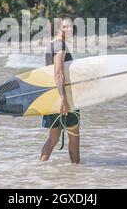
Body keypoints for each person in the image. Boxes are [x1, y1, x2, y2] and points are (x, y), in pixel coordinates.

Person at [40, 16, 80, 164]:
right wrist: (63, 98)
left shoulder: (52, 44)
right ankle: (76, 172)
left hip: (51, 96)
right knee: (74, 136)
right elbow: (58, 72)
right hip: (64, 97)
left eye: (70, 26)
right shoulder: (60, 46)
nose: (69, 29)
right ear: (58, 29)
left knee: (53, 138)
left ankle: (41, 168)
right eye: (65, 27)